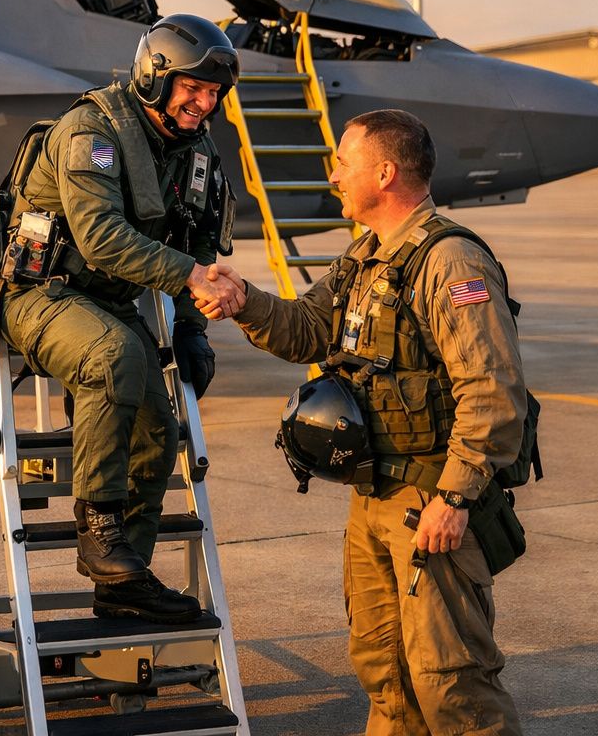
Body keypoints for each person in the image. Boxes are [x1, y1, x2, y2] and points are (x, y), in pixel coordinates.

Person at [214, 109, 527, 735]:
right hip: (374, 498)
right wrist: (243, 300)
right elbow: (308, 331)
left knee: (451, 684)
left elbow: (493, 391)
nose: (333, 176)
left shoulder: (450, 261)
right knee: (386, 676)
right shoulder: (366, 257)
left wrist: (455, 497)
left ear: (383, 172)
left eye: (344, 162)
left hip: (430, 502)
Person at [0, 13, 244, 623]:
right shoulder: (93, 131)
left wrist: (191, 326)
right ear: (155, 77)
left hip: (105, 303)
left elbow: (199, 241)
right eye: (193, 89)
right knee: (116, 357)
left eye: (213, 94)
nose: (204, 104)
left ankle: (123, 584)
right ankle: (99, 532)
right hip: (39, 296)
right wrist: (186, 278)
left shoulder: (197, 151)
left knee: (157, 426)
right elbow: (101, 238)